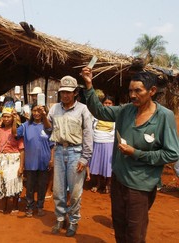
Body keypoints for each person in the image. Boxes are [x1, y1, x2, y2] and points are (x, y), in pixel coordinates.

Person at [81, 67, 179, 243]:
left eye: (138, 91)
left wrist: (137, 153)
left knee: (134, 233)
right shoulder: (126, 110)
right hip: (119, 180)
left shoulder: (164, 116)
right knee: (119, 226)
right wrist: (89, 85)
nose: (133, 95)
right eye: (130, 91)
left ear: (152, 91)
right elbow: (100, 112)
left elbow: (172, 153)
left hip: (140, 186)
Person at [45, 76, 93, 237]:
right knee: (58, 190)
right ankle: (60, 218)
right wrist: (42, 119)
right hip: (59, 151)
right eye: (62, 92)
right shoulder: (54, 109)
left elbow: (88, 135)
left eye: (68, 92)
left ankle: (73, 221)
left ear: (75, 93)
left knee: (75, 191)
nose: (65, 95)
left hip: (76, 152)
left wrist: (85, 158)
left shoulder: (83, 110)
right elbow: (48, 131)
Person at [17, 104, 54, 217]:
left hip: (44, 161)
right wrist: (14, 119)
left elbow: (52, 145)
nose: (36, 113)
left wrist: (52, 159)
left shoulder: (47, 126)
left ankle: (40, 207)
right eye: (34, 111)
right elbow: (14, 133)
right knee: (30, 186)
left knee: (42, 186)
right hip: (30, 161)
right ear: (31, 112)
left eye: (39, 111)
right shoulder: (25, 126)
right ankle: (29, 207)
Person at [0, 105, 24, 215]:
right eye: (5, 117)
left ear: (12, 118)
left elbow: (22, 150)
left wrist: (21, 166)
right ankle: (3, 205)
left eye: (9, 117)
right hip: (1, 159)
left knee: (14, 182)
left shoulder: (18, 131)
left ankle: (15, 206)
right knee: (1, 182)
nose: (6, 119)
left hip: (14, 159)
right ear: (2, 117)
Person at [89, 95, 115, 194]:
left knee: (108, 166)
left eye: (109, 103)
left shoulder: (115, 116)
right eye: (105, 103)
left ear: (113, 105)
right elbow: (91, 127)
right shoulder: (97, 115)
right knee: (98, 165)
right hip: (97, 141)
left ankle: (108, 184)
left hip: (109, 143)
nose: (107, 105)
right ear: (102, 104)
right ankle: (98, 184)